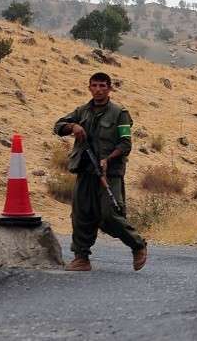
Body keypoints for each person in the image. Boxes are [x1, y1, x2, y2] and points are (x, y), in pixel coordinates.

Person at [53, 72, 147, 272]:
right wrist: (73, 126)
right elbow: (58, 126)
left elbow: (125, 144)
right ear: (89, 88)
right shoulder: (82, 111)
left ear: (109, 88)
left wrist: (107, 159)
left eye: (102, 86)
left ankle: (137, 245)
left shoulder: (120, 113)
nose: (98, 90)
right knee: (81, 213)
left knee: (109, 214)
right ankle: (81, 257)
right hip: (85, 170)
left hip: (109, 173)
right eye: (94, 86)